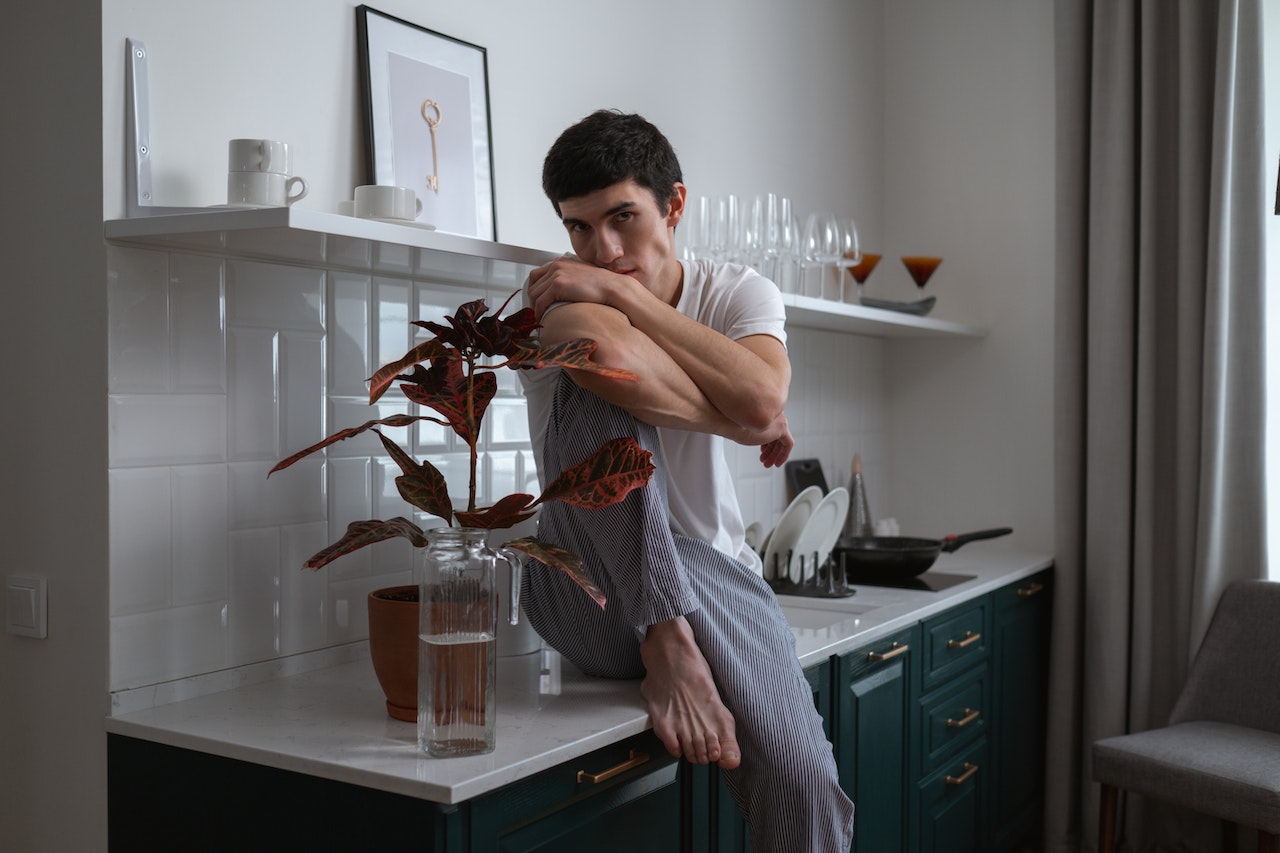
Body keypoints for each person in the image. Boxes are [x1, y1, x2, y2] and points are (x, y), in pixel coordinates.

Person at [518, 109, 855, 852]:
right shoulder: (558, 298)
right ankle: (666, 638)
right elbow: (620, 361)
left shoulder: (739, 293)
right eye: (578, 228)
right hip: (585, 590)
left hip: (716, 581)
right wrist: (742, 416)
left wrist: (636, 301)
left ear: (674, 204)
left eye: (622, 218)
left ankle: (675, 621)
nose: (601, 250)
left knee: (804, 780)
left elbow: (765, 397)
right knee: (589, 382)